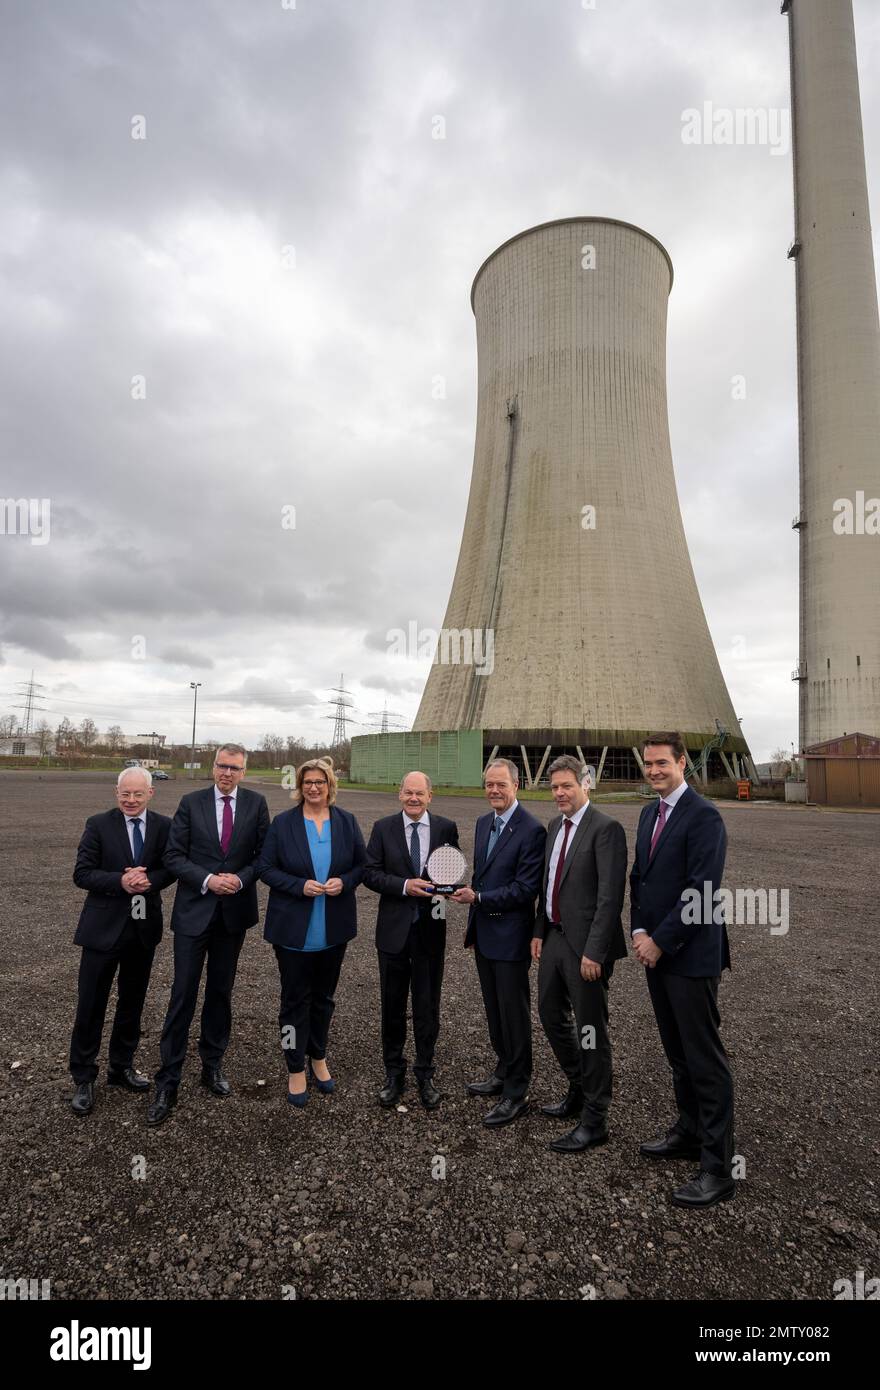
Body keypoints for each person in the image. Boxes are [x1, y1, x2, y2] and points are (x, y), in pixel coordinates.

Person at [630, 732, 734, 1208]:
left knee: (704, 1059)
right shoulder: (649, 813)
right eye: (648, 763)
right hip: (654, 950)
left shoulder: (704, 816)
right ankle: (689, 1132)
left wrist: (660, 941)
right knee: (677, 1053)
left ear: (682, 763)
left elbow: (703, 893)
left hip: (689, 957)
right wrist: (638, 932)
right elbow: (641, 880)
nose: (654, 770)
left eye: (661, 763)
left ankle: (719, 1168)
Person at [147, 743, 270, 1126]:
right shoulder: (191, 802)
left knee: (220, 992)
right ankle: (168, 1079)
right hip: (193, 913)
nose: (226, 773)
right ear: (213, 767)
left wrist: (239, 878)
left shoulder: (256, 804)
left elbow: (263, 857)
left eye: (234, 767)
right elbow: (173, 856)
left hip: (232, 914)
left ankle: (212, 1064)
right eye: (221, 765)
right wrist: (207, 879)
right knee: (182, 993)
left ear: (243, 771)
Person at [532, 755, 627, 1153]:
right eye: (554, 787)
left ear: (585, 783)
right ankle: (578, 1087)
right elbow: (547, 883)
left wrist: (595, 952)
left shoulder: (606, 829)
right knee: (550, 1015)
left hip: (586, 948)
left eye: (567, 786)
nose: (559, 793)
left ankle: (595, 1118)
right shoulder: (554, 826)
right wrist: (538, 932)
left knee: (591, 1031)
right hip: (553, 939)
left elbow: (609, 898)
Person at [258, 758, 366, 1107]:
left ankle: (318, 1056)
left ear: (329, 784)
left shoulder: (346, 821)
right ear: (300, 786)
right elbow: (265, 867)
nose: (314, 788)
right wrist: (297, 885)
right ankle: (294, 1066)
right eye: (308, 782)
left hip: (332, 929)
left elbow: (362, 866)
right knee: (293, 1002)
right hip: (293, 929)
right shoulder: (284, 823)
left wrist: (344, 882)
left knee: (323, 999)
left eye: (320, 782)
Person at [68, 768, 176, 1116]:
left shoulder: (163, 826)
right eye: (124, 794)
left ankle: (121, 1066)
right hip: (102, 929)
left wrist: (149, 880)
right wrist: (121, 881)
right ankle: (84, 1076)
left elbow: (170, 868)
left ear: (150, 793)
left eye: (137, 795)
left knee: (132, 1002)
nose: (131, 800)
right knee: (91, 1005)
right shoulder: (98, 824)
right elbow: (82, 873)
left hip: (142, 928)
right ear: (117, 792)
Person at [452, 758, 545, 1128]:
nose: (493, 790)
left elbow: (525, 889)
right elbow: (482, 875)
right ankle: (503, 1070)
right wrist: (474, 923)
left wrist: (479, 900)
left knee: (514, 1013)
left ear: (516, 785)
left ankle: (517, 1091)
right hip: (486, 935)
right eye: (489, 784)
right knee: (493, 1010)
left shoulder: (531, 830)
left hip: (510, 937)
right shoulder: (482, 822)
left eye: (500, 785)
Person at [363, 772, 459, 1110]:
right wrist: (404, 886)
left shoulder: (446, 828)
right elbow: (370, 873)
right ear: (399, 794)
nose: (413, 798)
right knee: (392, 1006)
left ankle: (425, 1072)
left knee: (427, 1006)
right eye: (408, 792)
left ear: (430, 795)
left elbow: (451, 870)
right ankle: (393, 1072)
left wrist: (449, 887)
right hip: (392, 932)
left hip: (431, 931)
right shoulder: (383, 828)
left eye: (420, 793)